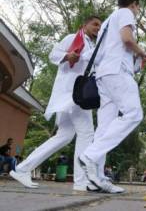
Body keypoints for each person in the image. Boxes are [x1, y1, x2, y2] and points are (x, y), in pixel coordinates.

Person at [10, 16, 101, 191]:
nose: (98, 28)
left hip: (72, 97)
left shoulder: (92, 45)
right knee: (87, 133)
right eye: (95, 24)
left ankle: (22, 168)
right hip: (73, 95)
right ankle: (81, 182)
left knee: (64, 136)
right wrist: (68, 55)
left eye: (100, 26)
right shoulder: (72, 38)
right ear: (85, 25)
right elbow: (53, 54)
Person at [78, 0, 146, 194]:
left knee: (105, 126)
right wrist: (142, 52)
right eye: (138, 8)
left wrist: (136, 62)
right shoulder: (125, 13)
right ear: (133, 4)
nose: (137, 11)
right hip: (117, 73)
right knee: (134, 114)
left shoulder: (107, 23)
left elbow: (101, 55)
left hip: (104, 76)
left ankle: (95, 178)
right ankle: (90, 155)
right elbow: (127, 39)